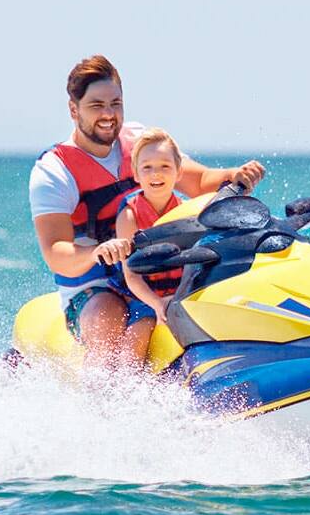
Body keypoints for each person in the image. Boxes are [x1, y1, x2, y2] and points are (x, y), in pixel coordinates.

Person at [28, 55, 265, 366]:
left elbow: (198, 181)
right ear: (74, 110)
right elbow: (56, 253)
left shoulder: (141, 142)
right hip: (96, 286)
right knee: (107, 320)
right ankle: (105, 405)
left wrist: (236, 175)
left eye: (116, 103)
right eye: (97, 105)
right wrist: (98, 251)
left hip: (155, 271)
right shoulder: (54, 171)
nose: (109, 114)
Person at [115, 128, 187, 362]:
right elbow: (131, 276)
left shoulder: (186, 212)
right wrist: (157, 304)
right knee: (142, 328)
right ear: (136, 174)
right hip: (142, 294)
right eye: (147, 167)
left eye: (165, 166)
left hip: (179, 291)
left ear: (179, 171)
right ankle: (127, 385)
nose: (156, 173)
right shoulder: (129, 215)